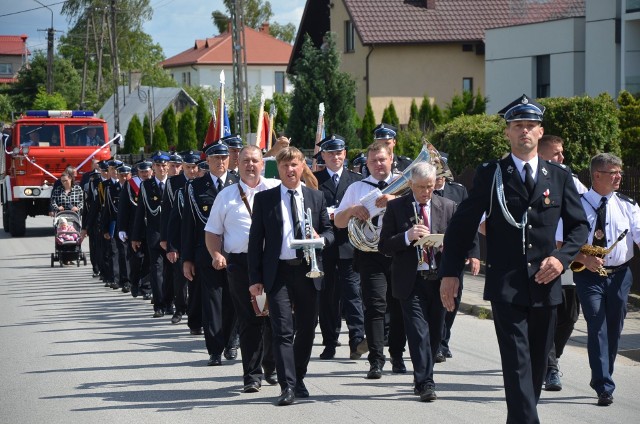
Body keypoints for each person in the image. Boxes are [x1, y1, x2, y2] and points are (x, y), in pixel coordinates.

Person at [439, 94, 589, 424]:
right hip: (507, 286)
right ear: (507, 132)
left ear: (540, 131)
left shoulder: (559, 177)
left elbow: (580, 227)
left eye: (530, 126)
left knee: (536, 367)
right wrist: (450, 273)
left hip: (547, 285)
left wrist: (562, 259)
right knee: (517, 362)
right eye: (517, 126)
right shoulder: (492, 174)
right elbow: (462, 226)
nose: (524, 131)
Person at [248, 146, 333, 406]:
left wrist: (321, 239)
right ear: (279, 170)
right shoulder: (265, 199)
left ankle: (299, 376)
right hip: (279, 272)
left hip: (308, 269)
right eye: (284, 166)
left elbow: (330, 232)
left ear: (302, 166)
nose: (290, 170)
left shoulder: (315, 197)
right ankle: (287, 385)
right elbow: (255, 243)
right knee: (282, 330)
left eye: (294, 165)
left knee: (307, 328)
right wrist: (255, 279)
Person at [205, 145, 280, 392]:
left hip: (272, 263)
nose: (250, 165)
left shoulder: (275, 189)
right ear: (238, 163)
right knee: (250, 319)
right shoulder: (226, 196)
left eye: (255, 161)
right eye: (245, 160)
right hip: (240, 265)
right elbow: (212, 232)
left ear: (263, 164)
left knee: (273, 317)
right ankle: (252, 376)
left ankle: (271, 365)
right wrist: (216, 254)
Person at [379, 161, 455, 401]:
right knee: (418, 332)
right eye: (421, 187)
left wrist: (448, 246)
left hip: (438, 279)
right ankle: (426, 382)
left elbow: (462, 239)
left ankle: (423, 377)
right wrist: (406, 236)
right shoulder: (396, 208)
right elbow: (384, 246)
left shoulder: (448, 206)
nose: (426, 192)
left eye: (430, 187)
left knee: (434, 334)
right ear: (411, 184)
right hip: (411, 281)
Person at [573, 153, 640, 406]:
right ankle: (603, 385)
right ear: (597, 175)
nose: (619, 176)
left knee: (614, 328)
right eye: (614, 172)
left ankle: (604, 373)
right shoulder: (576, 204)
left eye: (620, 172)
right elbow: (561, 242)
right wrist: (584, 258)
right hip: (589, 276)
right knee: (596, 324)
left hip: (621, 275)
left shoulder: (628, 204)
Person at [334, 141, 403, 379]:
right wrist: (352, 210)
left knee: (399, 306)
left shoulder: (404, 184)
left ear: (391, 158)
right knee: (375, 307)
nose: (378, 165)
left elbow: (421, 210)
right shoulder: (357, 188)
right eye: (373, 161)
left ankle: (397, 354)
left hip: (399, 253)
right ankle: (376, 360)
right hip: (370, 255)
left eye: (382, 159)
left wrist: (395, 199)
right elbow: (339, 222)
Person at [537, 134, 588, 391]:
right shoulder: (528, 177)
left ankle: (551, 357)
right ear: (543, 153)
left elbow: (587, 213)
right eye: (557, 153)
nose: (562, 158)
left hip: (567, 256)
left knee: (569, 316)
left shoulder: (570, 179)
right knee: (546, 314)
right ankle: (550, 368)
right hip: (540, 259)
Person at [182, 141, 239, 365]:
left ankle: (231, 342)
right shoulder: (196, 187)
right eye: (216, 158)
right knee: (212, 301)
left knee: (234, 300)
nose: (221, 162)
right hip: (206, 253)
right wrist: (186, 259)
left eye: (224, 158)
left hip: (234, 252)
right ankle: (215, 349)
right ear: (208, 161)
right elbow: (189, 225)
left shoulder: (238, 183)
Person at [313, 135, 367, 360]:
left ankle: (357, 340)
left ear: (345, 154)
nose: (335, 157)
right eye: (330, 153)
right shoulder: (314, 180)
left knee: (353, 295)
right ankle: (330, 341)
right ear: (323, 156)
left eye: (339, 152)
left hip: (349, 245)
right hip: (325, 247)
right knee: (327, 298)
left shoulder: (356, 180)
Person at [432, 163, 481, 363]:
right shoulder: (422, 191)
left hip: (455, 253)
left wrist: (474, 253)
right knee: (436, 300)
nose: (439, 175)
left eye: (442, 170)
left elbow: (471, 223)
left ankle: (444, 339)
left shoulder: (458, 191)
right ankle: (437, 343)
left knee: (455, 298)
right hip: (431, 253)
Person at [160, 151, 200, 324]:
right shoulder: (176, 184)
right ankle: (180, 308)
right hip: (182, 238)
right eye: (188, 167)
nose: (192, 171)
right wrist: (171, 244)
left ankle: (195, 313)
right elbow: (170, 216)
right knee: (180, 276)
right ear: (183, 167)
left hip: (200, 239)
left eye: (194, 167)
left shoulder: (203, 185)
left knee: (198, 280)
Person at [132, 152, 170, 317]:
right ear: (153, 167)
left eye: (164, 165)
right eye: (158, 165)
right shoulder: (146, 186)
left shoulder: (174, 184)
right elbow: (140, 212)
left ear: (167, 166)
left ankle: (170, 302)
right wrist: (135, 236)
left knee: (171, 271)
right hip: (154, 233)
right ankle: (159, 305)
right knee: (156, 270)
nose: (161, 168)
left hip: (172, 234)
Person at [118, 160, 152, 298]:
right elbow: (123, 208)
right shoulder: (130, 185)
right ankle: (134, 282)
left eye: (147, 171)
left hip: (150, 228)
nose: (144, 174)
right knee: (135, 259)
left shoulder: (153, 184)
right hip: (134, 229)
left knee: (150, 260)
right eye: (142, 171)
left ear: (151, 171)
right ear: (138, 172)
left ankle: (146, 288)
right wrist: (122, 228)